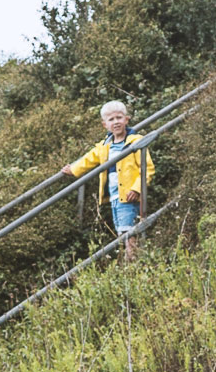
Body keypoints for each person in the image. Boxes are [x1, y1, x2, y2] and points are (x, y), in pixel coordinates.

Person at [61, 100, 155, 261]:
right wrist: (74, 169)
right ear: (105, 125)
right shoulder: (105, 145)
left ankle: (133, 262)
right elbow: (88, 159)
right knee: (121, 231)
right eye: (111, 120)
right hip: (114, 197)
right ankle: (132, 262)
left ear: (127, 119)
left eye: (119, 118)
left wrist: (137, 188)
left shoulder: (135, 142)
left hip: (129, 195)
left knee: (129, 232)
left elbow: (148, 169)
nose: (116, 122)